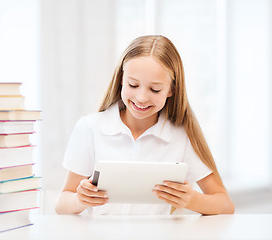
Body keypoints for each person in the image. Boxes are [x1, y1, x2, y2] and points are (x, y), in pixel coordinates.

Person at [55, 35, 235, 215]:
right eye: (133, 85)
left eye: (155, 89)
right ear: (121, 80)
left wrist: (191, 199)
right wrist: (80, 199)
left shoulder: (182, 136)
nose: (141, 98)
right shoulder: (90, 128)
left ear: (171, 89)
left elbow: (225, 205)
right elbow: (62, 205)